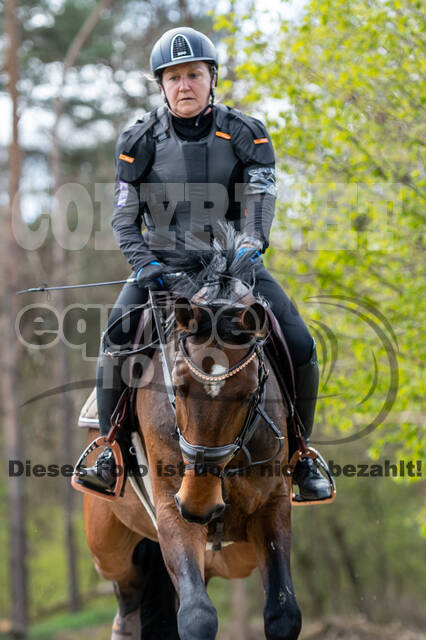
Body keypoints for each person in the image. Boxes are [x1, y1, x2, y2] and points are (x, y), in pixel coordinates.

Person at [81, 27, 331, 501]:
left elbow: (260, 198)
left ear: (212, 78)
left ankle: (301, 455)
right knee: (115, 336)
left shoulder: (246, 132)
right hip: (162, 270)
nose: (184, 85)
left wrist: (251, 243)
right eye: (173, 77)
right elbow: (124, 216)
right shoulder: (138, 139)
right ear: (161, 85)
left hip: (235, 268)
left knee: (300, 341)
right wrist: (144, 262)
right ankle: (108, 449)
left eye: (194, 74)